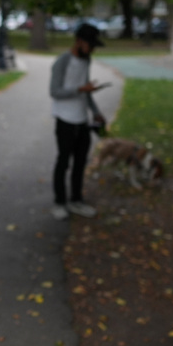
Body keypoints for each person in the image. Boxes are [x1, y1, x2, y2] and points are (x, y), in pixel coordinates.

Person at [49, 22, 109, 221]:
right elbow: (54, 92)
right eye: (90, 45)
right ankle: (59, 201)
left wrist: (96, 112)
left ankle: (76, 200)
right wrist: (80, 90)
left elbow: (86, 91)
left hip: (82, 120)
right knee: (63, 162)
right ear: (78, 41)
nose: (92, 49)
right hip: (65, 120)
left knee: (80, 163)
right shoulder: (62, 62)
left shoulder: (86, 60)